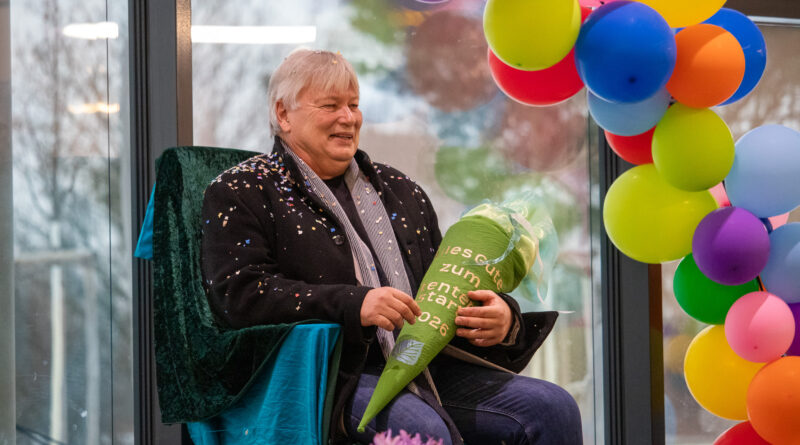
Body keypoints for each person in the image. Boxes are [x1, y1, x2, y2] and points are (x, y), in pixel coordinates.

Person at [200, 49, 582, 445]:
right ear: (283, 115)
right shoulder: (240, 190)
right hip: (326, 377)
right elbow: (241, 296)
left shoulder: (402, 190)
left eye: (353, 105)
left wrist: (502, 320)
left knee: (552, 407)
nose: (348, 118)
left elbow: (442, 293)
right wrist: (355, 304)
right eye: (330, 105)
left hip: (427, 366)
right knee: (418, 429)